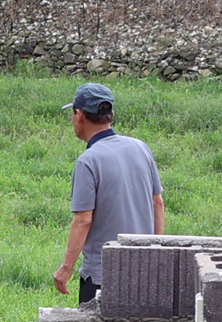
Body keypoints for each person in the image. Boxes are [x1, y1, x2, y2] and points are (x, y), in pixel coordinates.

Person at [52, 81, 164, 303]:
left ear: (79, 115)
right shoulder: (140, 147)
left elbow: (83, 220)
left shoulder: (89, 161)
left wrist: (66, 268)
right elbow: (157, 203)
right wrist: (156, 254)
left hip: (102, 275)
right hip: (143, 271)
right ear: (110, 114)